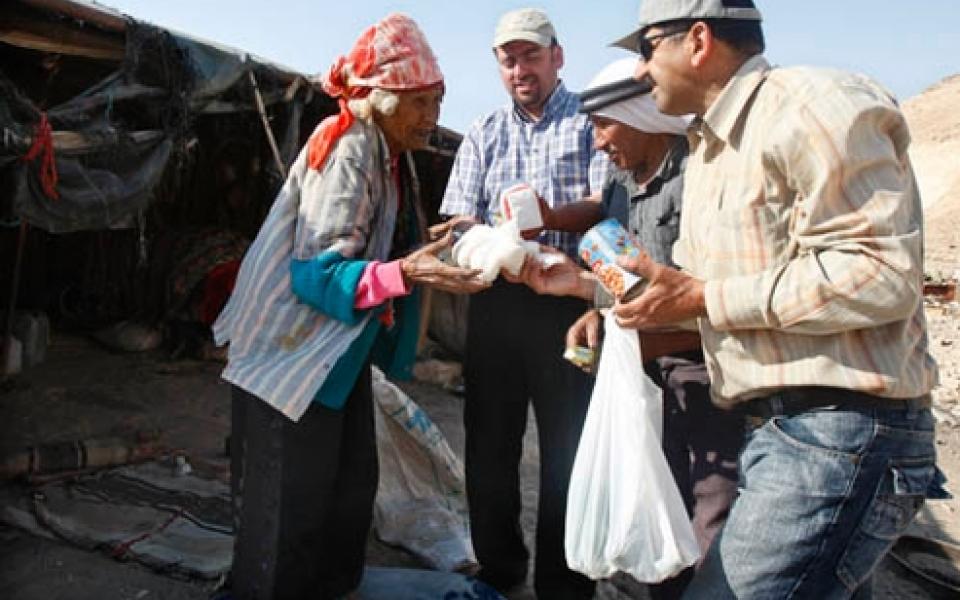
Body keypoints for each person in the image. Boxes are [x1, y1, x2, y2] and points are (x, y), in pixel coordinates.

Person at [605, 1, 942, 597]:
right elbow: (712, 294)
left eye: (646, 48)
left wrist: (706, 295)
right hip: (783, 430)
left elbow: (879, 275)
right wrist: (582, 287)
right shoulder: (711, 148)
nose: (638, 72)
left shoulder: (812, 106)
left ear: (699, 40)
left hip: (843, 429)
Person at [212, 14, 487, 599]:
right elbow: (318, 275)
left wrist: (425, 250)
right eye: (421, 102)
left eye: (438, 101)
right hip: (288, 364)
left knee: (347, 494)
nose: (432, 117)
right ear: (381, 96)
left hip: (331, 361)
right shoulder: (348, 148)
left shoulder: (388, 153)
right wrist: (410, 269)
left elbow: (373, 254)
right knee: (287, 517)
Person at [519, 57, 744, 599]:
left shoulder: (701, 177)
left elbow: (710, 297)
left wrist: (599, 302)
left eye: (603, 126)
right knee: (655, 512)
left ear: (642, 115)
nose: (597, 143)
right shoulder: (622, 181)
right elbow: (625, 279)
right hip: (646, 375)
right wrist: (597, 313)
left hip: (704, 375)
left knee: (710, 519)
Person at [437, 8, 607, 599]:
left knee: (569, 450)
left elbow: (605, 201)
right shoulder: (483, 130)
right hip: (496, 304)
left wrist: (548, 219)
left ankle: (564, 585)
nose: (520, 69)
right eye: (509, 60)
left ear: (557, 57)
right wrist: (483, 240)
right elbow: (458, 215)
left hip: (568, 305)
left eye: (531, 55)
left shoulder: (590, 121)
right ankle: (501, 569)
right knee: (489, 445)